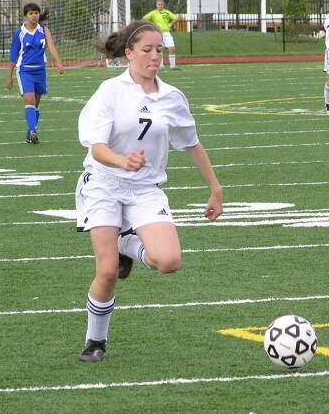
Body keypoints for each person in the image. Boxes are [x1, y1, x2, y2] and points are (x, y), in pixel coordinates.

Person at [76, 20, 223, 362]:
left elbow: (191, 143)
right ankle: (95, 342)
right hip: (103, 183)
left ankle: (126, 241)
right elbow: (97, 148)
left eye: (159, 49)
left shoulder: (172, 97)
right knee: (107, 270)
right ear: (128, 53)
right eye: (147, 50)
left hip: (144, 189)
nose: (155, 56)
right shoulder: (110, 91)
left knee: (169, 261)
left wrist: (215, 188)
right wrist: (122, 161)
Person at [6, 3, 64, 144]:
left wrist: (58, 63)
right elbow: (13, 55)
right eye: (31, 13)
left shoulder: (44, 30)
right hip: (24, 71)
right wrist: (9, 76)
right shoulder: (19, 33)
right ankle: (33, 130)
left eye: (36, 13)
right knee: (30, 100)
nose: (34, 15)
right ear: (25, 16)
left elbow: (51, 47)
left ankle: (29, 133)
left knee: (36, 104)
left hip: (40, 71)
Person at [143, 0, 180, 70]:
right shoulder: (153, 13)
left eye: (161, 4)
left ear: (163, 5)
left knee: (172, 48)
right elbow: (144, 19)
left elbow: (176, 18)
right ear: (156, 5)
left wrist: (170, 24)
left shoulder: (167, 12)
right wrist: (152, 25)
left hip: (166, 33)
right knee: (159, 49)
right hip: (157, 33)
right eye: (159, 4)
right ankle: (160, 66)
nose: (160, 6)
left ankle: (173, 66)